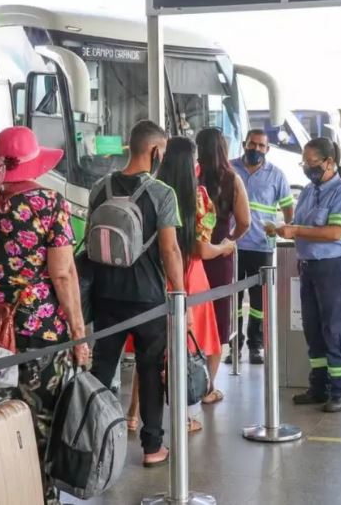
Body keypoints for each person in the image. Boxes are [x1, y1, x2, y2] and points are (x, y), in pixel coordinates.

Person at [0, 126, 89, 505]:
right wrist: (77, 333)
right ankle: (40, 496)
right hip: (39, 332)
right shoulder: (50, 203)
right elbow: (61, 272)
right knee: (39, 422)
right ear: (34, 163)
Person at [88, 120, 185, 467]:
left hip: (105, 296)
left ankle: (91, 445)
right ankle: (152, 447)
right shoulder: (162, 193)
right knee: (149, 370)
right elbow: (170, 250)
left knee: (101, 370)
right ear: (156, 151)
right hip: (147, 299)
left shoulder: (100, 187)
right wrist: (180, 292)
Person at [275, 137, 341, 413]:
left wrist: (296, 231)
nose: (307, 168)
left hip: (335, 268)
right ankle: (319, 387)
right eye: (304, 162)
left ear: (329, 162)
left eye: (312, 162)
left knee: (335, 328)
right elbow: (301, 224)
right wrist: (284, 228)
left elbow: (335, 232)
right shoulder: (310, 190)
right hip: (309, 266)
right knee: (313, 329)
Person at [158, 136, 236, 406]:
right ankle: (191, 405)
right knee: (194, 343)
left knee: (154, 351)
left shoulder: (153, 191)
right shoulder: (199, 197)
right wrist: (224, 247)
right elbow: (201, 250)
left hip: (158, 275)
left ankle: (134, 413)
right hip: (191, 275)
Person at [227, 129, 294, 365]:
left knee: (259, 302)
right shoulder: (229, 168)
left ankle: (255, 346)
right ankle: (233, 347)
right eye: (252, 144)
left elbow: (289, 210)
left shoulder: (277, 175)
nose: (255, 149)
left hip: (261, 247)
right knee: (232, 300)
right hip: (231, 245)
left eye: (261, 146)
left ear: (267, 149)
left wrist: (282, 228)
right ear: (245, 144)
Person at [196, 128, 251, 351]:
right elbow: (245, 221)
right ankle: (209, 380)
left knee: (193, 312)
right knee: (217, 319)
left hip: (192, 255)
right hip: (220, 254)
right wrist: (228, 241)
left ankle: (188, 370)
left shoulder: (191, 176)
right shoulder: (232, 179)